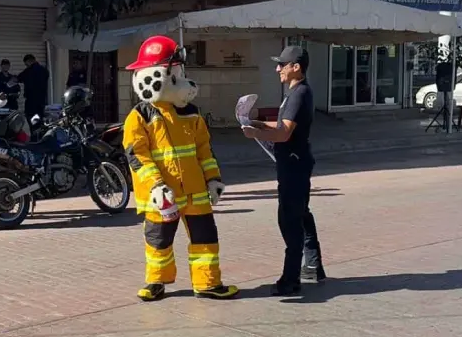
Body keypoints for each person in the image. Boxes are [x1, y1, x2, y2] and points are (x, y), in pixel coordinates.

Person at [123, 35, 238, 302]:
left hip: (196, 192)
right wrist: (156, 186)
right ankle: (156, 283)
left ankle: (208, 283)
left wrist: (213, 178)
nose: (183, 81)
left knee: (205, 241)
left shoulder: (192, 113)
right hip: (162, 196)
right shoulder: (139, 117)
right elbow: (137, 156)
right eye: (175, 75)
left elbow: (204, 150)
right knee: (158, 242)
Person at [241, 45, 325, 296]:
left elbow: (284, 132)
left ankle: (290, 279)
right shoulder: (296, 92)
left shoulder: (299, 93)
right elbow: (282, 124)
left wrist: (254, 133)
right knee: (301, 214)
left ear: (295, 67)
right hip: (295, 162)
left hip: (294, 164)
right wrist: (257, 122)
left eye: (282, 64)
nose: (278, 69)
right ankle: (312, 265)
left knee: (289, 219)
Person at [17, 53, 50, 124]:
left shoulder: (29, 71)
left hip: (31, 102)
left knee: (32, 122)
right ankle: (39, 133)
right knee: (39, 120)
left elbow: (19, 78)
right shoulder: (44, 70)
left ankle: (34, 134)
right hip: (41, 101)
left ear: (29, 61)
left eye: (26, 64)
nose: (26, 66)